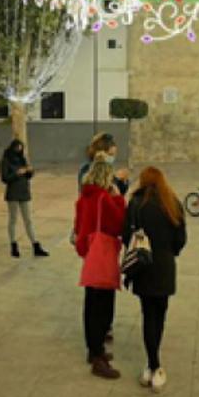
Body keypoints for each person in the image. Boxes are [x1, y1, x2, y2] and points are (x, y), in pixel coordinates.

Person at [125, 167, 187, 393]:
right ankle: (155, 365)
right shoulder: (172, 203)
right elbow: (181, 239)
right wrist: (169, 252)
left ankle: (151, 366)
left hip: (142, 267)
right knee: (159, 315)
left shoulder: (135, 204)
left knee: (147, 314)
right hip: (164, 266)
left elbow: (126, 236)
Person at [75, 152, 127, 378]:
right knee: (103, 305)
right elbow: (118, 224)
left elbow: (78, 225)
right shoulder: (104, 198)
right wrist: (118, 198)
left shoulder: (83, 197)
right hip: (103, 253)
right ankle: (97, 355)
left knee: (91, 302)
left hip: (90, 252)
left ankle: (93, 349)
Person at [0, 139, 48, 258]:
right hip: (13, 193)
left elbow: (28, 176)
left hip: (24, 192)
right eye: (17, 148)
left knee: (28, 220)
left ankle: (35, 244)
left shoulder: (22, 159)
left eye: (21, 148)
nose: (19, 151)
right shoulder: (5, 161)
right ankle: (13, 244)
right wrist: (17, 173)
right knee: (13, 220)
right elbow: (4, 178)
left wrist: (30, 172)